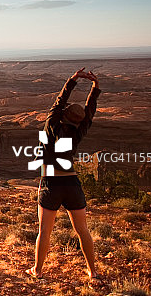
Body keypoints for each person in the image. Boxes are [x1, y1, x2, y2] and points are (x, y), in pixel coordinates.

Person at [26, 68, 101, 281]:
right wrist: (95, 88)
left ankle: (37, 270)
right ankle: (92, 272)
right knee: (83, 230)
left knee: (44, 231)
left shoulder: (51, 127)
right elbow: (89, 113)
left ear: (63, 115)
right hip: (72, 184)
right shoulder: (78, 132)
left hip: (51, 183)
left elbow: (58, 103)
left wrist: (72, 80)